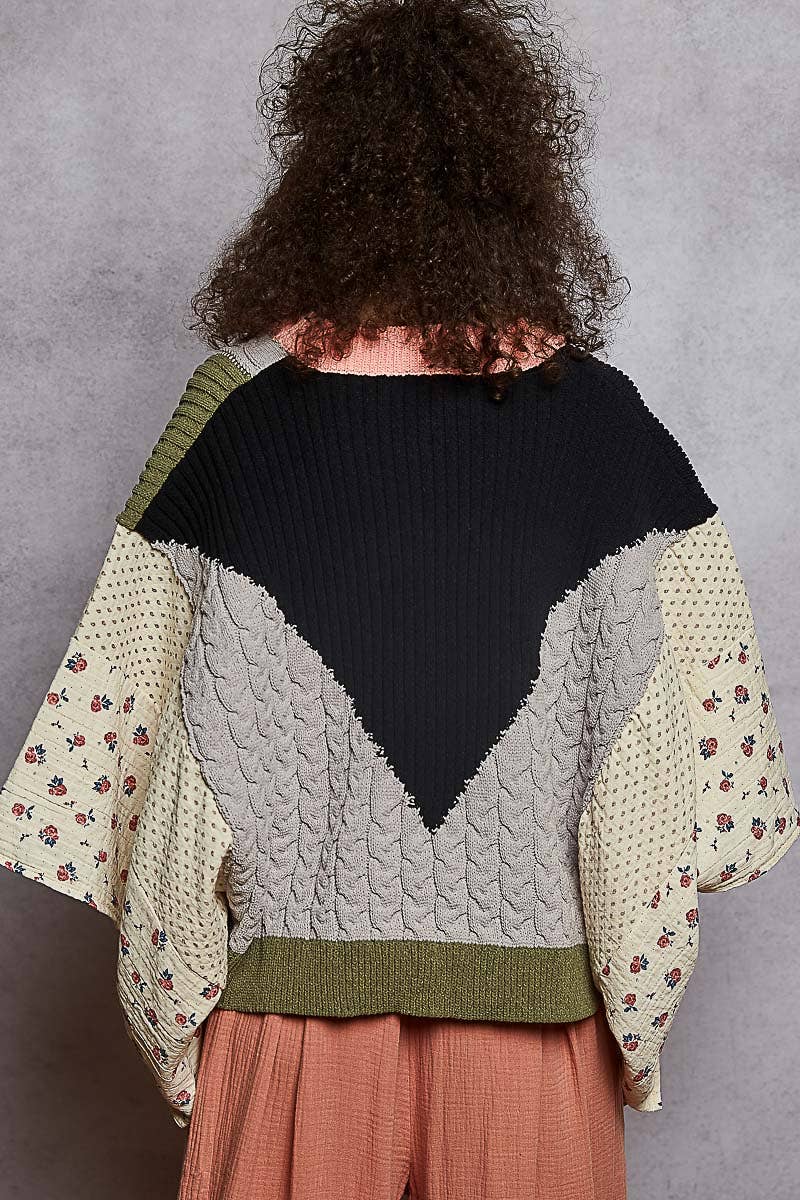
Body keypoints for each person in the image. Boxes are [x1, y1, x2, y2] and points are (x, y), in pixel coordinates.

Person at [1, 1, 798, 1197]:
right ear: (519, 177)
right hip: (532, 1050)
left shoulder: (229, 410)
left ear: (319, 174)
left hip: (285, 1041)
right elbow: (668, 793)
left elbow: (141, 781)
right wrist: (630, 1016)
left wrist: (179, 1028)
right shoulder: (609, 430)